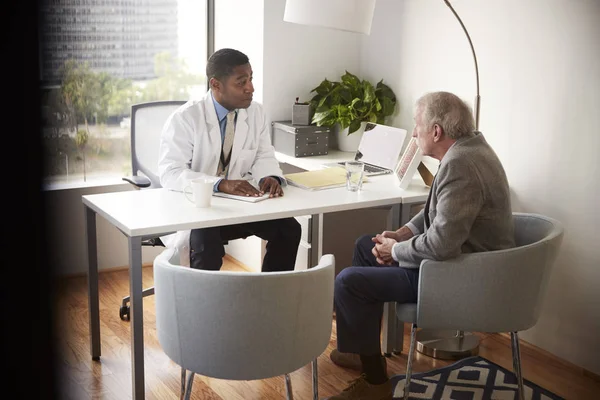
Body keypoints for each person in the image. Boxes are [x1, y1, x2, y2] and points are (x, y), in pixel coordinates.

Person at [326, 91, 515, 400]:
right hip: (457, 260)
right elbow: (436, 213)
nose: (414, 132)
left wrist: (394, 250)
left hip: (461, 276)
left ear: (436, 131)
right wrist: (402, 233)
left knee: (349, 282)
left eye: (417, 125)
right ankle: (358, 351)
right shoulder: (467, 150)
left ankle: (375, 384)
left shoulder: (461, 166)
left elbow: (441, 244)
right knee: (365, 245)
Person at [157, 48, 301, 271]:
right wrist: (220, 184)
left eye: (251, 79)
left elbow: (263, 154)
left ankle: (272, 299)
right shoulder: (186, 118)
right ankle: (207, 305)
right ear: (216, 85)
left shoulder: (256, 113)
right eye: (241, 82)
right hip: (200, 210)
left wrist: (269, 176)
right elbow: (171, 172)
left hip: (238, 207)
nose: (250, 88)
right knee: (206, 243)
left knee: (288, 229)